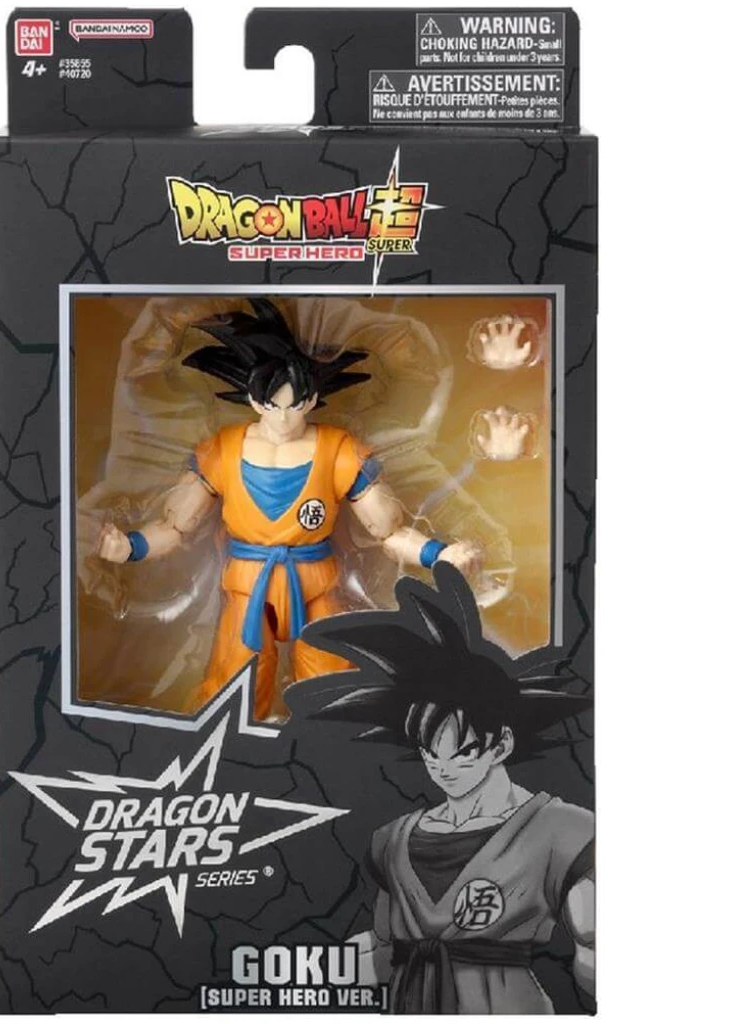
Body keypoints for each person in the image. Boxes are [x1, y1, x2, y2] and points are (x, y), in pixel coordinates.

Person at [98, 299, 484, 719]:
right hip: (247, 588)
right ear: (254, 399)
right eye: (272, 404)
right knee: (232, 690)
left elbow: (387, 530)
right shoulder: (223, 450)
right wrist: (131, 547)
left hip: (315, 585)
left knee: (334, 691)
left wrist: (439, 554)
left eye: (295, 404)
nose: (283, 417)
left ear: (312, 398)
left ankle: (330, 751)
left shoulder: (338, 449)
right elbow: (176, 526)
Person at [303, 563, 594, 1013]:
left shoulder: (560, 830)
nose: (444, 769)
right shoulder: (393, 840)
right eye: (430, 753)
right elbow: (382, 952)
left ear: (501, 744)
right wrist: (286, 972)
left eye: (463, 753)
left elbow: (593, 946)